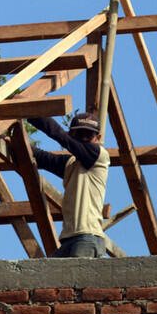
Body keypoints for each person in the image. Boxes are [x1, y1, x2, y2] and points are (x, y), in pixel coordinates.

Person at [29, 110, 109, 258]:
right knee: (48, 278)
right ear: (72, 135)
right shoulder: (71, 164)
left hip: (87, 237)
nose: (84, 138)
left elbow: (59, 134)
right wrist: (11, 142)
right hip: (69, 240)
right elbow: (42, 157)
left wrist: (29, 111)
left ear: (98, 138)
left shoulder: (99, 156)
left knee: (75, 280)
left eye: (88, 135)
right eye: (80, 134)